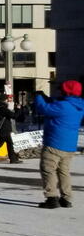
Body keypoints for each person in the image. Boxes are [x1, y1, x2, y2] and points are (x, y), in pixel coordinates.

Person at [33, 80, 84, 209]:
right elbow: (57, 106)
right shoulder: (79, 106)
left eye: (62, 90)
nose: (59, 92)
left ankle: (51, 198)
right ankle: (66, 198)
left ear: (67, 92)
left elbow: (44, 109)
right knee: (63, 171)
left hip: (54, 143)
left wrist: (38, 97)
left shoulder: (63, 106)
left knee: (48, 169)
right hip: (69, 145)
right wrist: (47, 98)